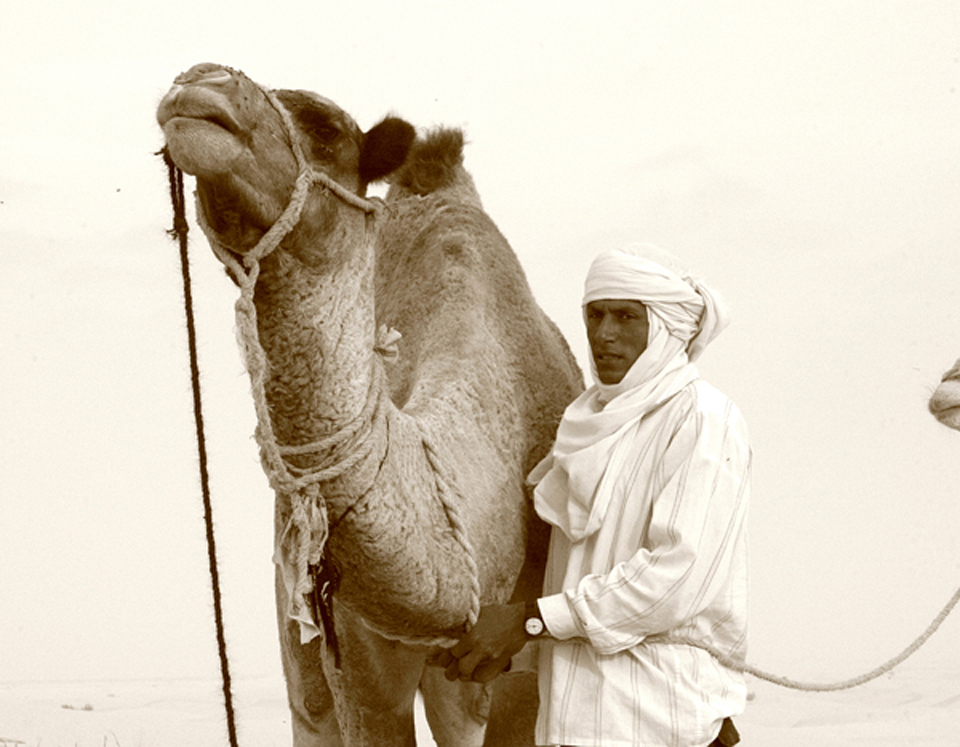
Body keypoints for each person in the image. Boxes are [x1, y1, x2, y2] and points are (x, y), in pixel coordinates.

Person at [433, 243, 750, 747]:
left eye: (626, 317)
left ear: (666, 327)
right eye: (596, 315)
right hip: (574, 725)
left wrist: (530, 620)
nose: (604, 334)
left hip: (665, 723)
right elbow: (566, 570)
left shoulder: (702, 418)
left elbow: (675, 578)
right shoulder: (585, 425)